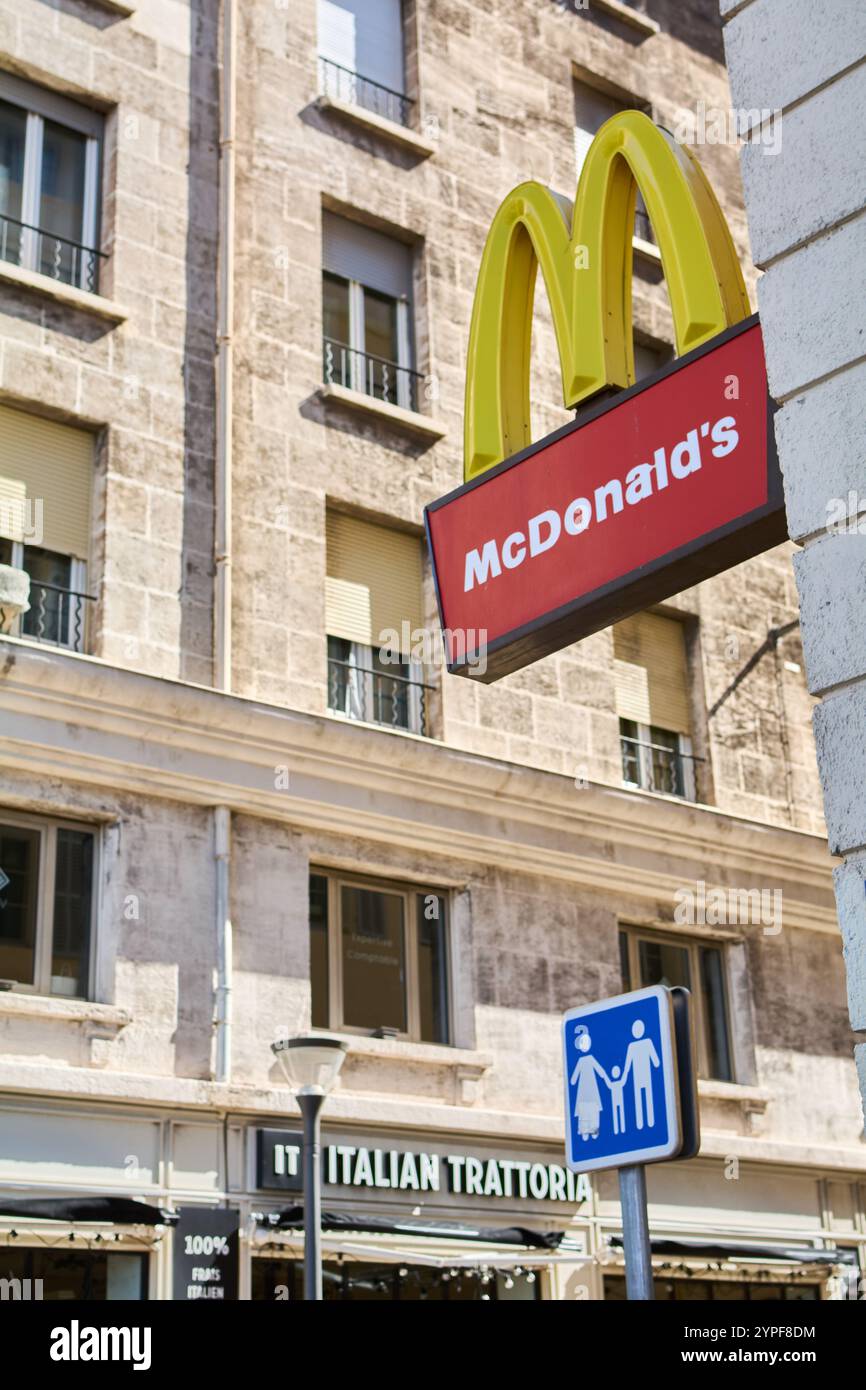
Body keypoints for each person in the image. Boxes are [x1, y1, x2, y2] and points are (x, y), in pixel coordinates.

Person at [569, 1026, 610, 1140]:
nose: (585, 1044)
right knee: (584, 1109)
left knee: (593, 1108)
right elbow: (574, 1077)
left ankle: (594, 1131)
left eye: (587, 1042)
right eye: (583, 1042)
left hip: (592, 1087)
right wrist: (573, 1080)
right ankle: (585, 1133)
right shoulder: (581, 1061)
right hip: (583, 1089)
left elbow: (600, 1070)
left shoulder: (591, 1058)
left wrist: (606, 1078)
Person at [622, 1018, 660, 1129]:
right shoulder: (636, 1045)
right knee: (643, 1097)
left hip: (642, 1076)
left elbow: (627, 1066)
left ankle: (645, 1122)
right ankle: (645, 1122)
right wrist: (624, 1077)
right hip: (640, 1076)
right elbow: (628, 1064)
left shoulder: (643, 1044)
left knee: (643, 1097)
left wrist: (625, 1075)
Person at [608, 1064, 627, 1135]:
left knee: (620, 1113)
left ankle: (622, 1129)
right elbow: (608, 1082)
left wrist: (625, 1072)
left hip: (619, 1101)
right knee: (616, 1114)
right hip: (615, 1101)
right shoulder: (614, 1084)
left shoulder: (618, 1083)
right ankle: (617, 1130)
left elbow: (624, 1078)